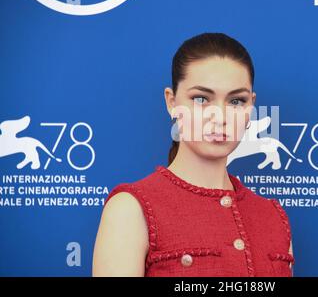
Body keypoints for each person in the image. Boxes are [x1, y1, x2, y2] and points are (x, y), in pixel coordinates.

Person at [92, 32, 294, 277]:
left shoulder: (272, 216)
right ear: (171, 102)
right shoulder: (131, 208)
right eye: (201, 98)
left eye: (236, 101)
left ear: (251, 107)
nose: (220, 117)